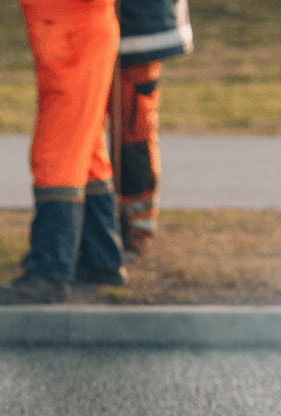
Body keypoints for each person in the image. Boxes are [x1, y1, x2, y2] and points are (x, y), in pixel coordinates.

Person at [0, 0, 124, 305]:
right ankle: (101, 257)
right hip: (73, 34)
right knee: (86, 152)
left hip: (74, 38)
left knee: (56, 156)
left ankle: (50, 273)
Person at [117, 0, 193, 258]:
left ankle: (136, 226)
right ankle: (115, 224)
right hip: (131, 24)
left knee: (134, 128)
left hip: (139, 26)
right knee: (127, 128)